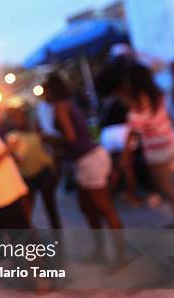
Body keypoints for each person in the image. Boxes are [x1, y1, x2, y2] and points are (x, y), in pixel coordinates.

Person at [42, 73, 123, 230]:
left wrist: (52, 140)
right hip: (87, 158)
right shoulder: (68, 104)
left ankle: (122, 252)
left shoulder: (60, 107)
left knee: (105, 208)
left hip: (89, 159)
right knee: (87, 207)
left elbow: (71, 137)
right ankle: (101, 248)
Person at [118, 64, 174, 228]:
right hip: (171, 142)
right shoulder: (156, 93)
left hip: (157, 150)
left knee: (169, 189)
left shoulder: (139, 101)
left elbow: (135, 129)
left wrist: (125, 156)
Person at [6, 105, 62, 228]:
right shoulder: (12, 137)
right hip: (27, 177)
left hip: (43, 173)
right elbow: (16, 158)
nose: (19, 120)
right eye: (15, 118)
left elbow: (51, 147)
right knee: (27, 210)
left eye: (20, 117)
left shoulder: (35, 131)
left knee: (50, 207)